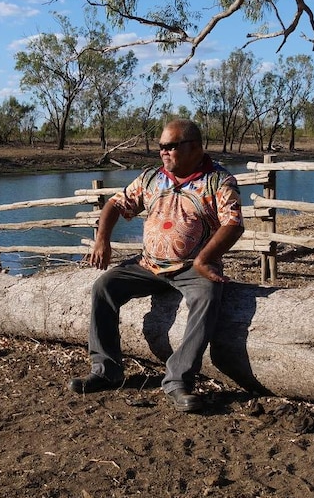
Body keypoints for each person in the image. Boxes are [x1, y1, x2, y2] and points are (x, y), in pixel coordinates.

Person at [69, 119, 244, 412]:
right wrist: (102, 240)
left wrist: (204, 260)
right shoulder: (152, 178)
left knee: (208, 295)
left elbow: (234, 224)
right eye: (161, 146)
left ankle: (178, 381)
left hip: (192, 268)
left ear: (195, 148)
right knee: (105, 286)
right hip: (148, 265)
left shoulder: (218, 181)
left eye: (171, 146)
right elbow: (115, 204)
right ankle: (106, 369)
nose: (163, 152)